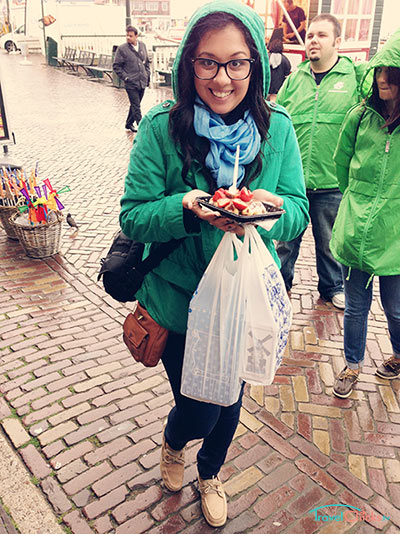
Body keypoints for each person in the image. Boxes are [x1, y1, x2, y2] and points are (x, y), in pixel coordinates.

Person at [119, 1, 309, 528]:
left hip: (243, 297)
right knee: (202, 405)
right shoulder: (162, 127)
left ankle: (210, 473)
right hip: (178, 302)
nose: (222, 79)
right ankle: (175, 441)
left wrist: (267, 209)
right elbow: (134, 218)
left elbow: (295, 211)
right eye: (207, 63)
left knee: (232, 403)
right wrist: (185, 208)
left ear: (256, 64)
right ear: (188, 64)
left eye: (237, 63)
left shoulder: (278, 130)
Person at [275, 14, 364, 309]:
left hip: (332, 182)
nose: (313, 40)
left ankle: (332, 286)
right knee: (286, 239)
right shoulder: (294, 80)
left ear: (337, 42)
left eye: (321, 35)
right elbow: (278, 126)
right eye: (310, 35)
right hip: (294, 183)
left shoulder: (354, 79)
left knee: (328, 244)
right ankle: (278, 282)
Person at [331, 29, 400, 398]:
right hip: (356, 232)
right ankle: (352, 365)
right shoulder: (360, 117)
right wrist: (357, 203)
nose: (383, 78)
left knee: (397, 309)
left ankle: (399, 354)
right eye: (379, 69)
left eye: (392, 71)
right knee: (355, 307)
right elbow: (341, 165)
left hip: (396, 238)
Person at [113, 25, 150, 133]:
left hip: (142, 81)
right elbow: (116, 66)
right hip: (131, 83)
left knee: (136, 104)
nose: (128, 38)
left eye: (130, 36)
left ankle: (129, 124)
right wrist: (125, 77)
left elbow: (147, 62)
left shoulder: (142, 46)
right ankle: (142, 126)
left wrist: (147, 75)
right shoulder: (122, 49)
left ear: (136, 36)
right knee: (136, 105)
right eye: (127, 35)